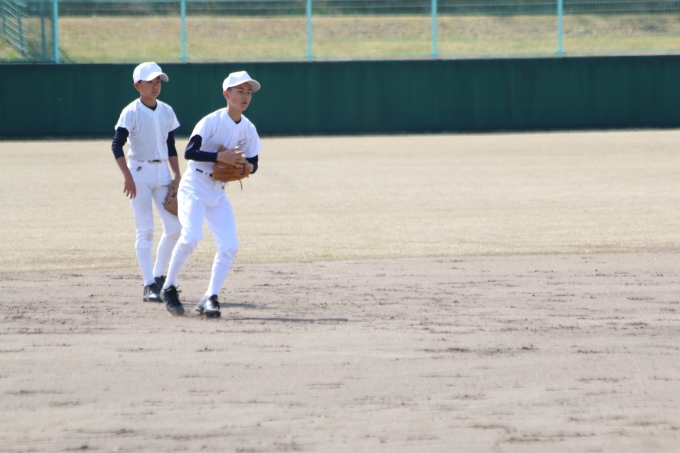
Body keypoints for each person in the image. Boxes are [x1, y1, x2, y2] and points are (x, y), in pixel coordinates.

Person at [161, 71, 262, 317]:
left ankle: (210, 297)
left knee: (230, 245)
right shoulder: (211, 121)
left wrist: (245, 167)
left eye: (249, 92)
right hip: (195, 185)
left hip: (219, 192)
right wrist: (220, 157)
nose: (245, 96)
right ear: (226, 94)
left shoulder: (248, 128)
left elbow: (254, 162)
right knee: (192, 236)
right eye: (240, 91)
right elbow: (190, 151)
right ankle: (169, 286)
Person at [111, 62, 182, 303]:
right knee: (146, 229)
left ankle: (159, 277)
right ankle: (148, 284)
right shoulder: (131, 111)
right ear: (137, 85)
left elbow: (171, 145)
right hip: (139, 172)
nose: (155, 85)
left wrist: (177, 175)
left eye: (158, 81)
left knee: (174, 228)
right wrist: (127, 177)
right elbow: (116, 145)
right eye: (150, 81)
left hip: (162, 172)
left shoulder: (166, 111)